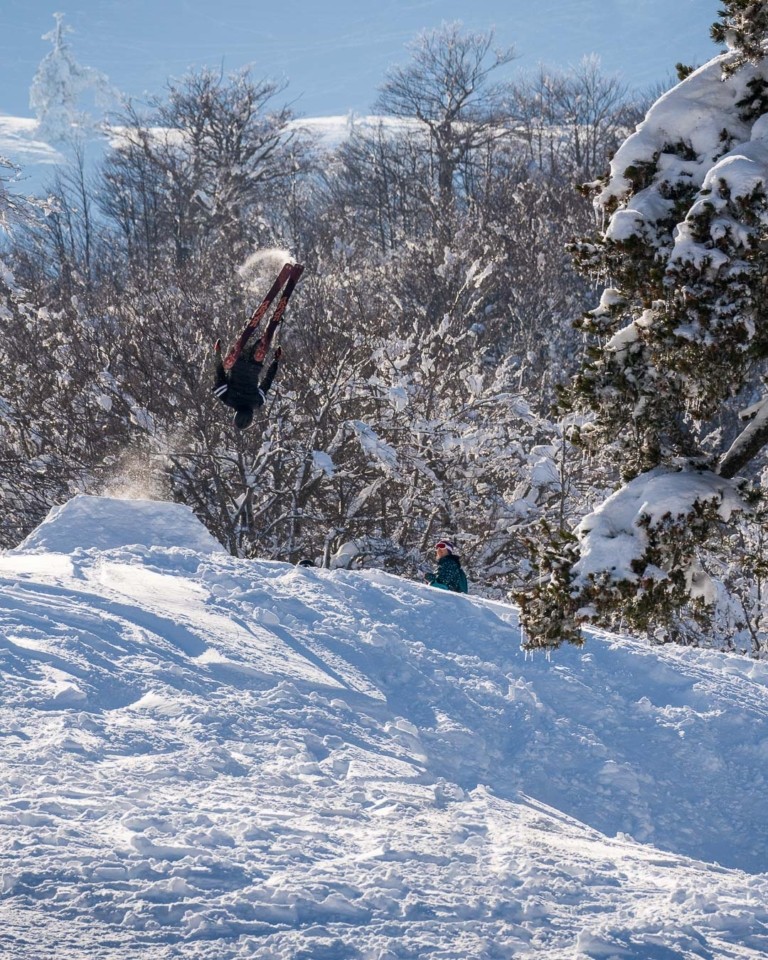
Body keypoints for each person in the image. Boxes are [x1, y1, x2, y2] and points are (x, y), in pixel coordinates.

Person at [212, 335, 282, 431]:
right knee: (246, 337)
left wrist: (276, 361)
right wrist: (217, 353)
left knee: (262, 341)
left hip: (255, 366)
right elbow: (219, 374)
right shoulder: (227, 399)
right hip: (238, 362)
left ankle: (266, 334)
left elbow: (268, 381)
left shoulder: (257, 402)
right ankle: (249, 328)